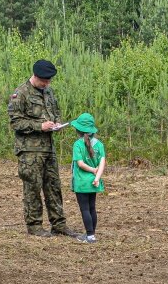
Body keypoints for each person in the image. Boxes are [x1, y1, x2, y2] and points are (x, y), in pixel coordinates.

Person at [8, 60, 80, 238]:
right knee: (32, 187)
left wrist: (55, 123)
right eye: (44, 81)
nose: (47, 84)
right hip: (29, 151)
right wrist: (40, 126)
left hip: (48, 148)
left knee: (54, 186)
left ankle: (59, 224)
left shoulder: (48, 91)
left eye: (49, 81)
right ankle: (34, 225)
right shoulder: (20, 93)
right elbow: (16, 122)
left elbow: (54, 111)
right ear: (35, 76)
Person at [69, 112, 106, 244]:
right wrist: (97, 176)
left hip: (81, 183)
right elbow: (102, 163)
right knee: (92, 208)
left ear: (78, 130)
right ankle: (92, 234)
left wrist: (91, 170)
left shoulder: (77, 145)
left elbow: (80, 164)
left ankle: (89, 236)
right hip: (93, 182)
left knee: (84, 209)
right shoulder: (99, 144)